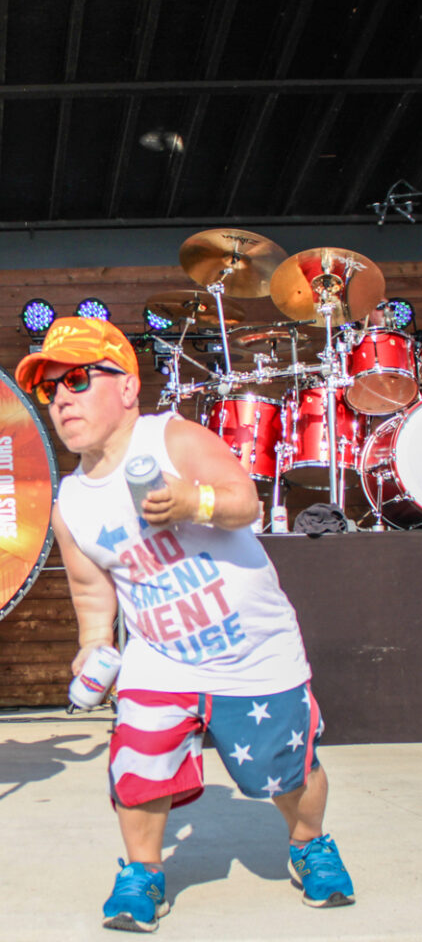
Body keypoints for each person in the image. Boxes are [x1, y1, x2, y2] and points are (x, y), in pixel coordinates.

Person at [15, 317, 354, 933]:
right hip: (161, 657)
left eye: (78, 378)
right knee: (136, 762)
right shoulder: (71, 503)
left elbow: (243, 500)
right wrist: (93, 646)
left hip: (256, 651)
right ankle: (142, 871)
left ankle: (309, 845)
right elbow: (94, 593)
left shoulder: (172, 437)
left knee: (286, 769)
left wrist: (193, 501)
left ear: (126, 388)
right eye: (50, 389)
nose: (62, 397)